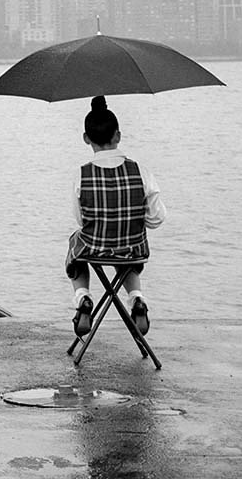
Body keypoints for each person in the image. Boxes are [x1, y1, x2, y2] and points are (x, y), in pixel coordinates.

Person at [67, 96, 166, 337]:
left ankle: (83, 298)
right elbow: (157, 219)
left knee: (75, 245)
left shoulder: (82, 175)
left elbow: (81, 221)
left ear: (86, 138)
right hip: (133, 249)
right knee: (126, 250)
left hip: (94, 249)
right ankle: (137, 299)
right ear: (118, 135)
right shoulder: (140, 171)